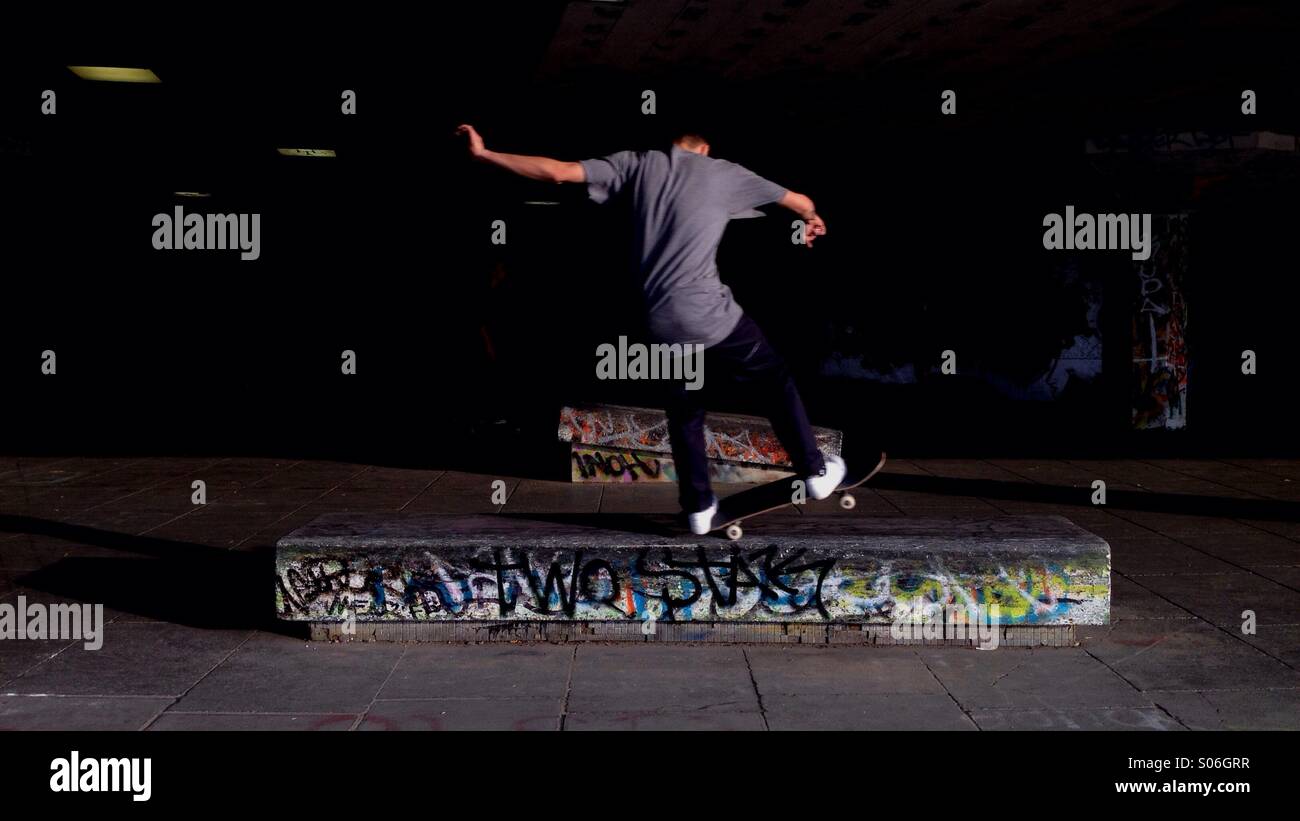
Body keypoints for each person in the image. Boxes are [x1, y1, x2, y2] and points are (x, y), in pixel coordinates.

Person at [455, 124, 845, 534]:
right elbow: (798, 200)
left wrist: (485, 154)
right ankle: (813, 470)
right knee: (773, 377)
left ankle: (697, 507)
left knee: (685, 410)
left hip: (656, 321)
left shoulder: (633, 165)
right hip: (708, 313)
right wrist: (812, 218)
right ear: (705, 148)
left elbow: (557, 172)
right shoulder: (724, 173)